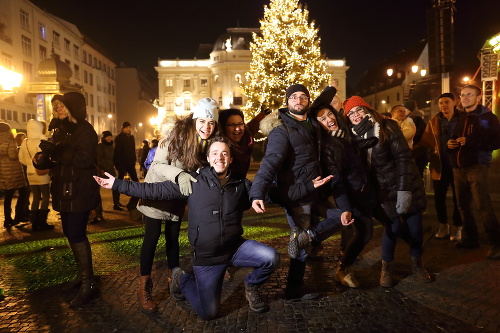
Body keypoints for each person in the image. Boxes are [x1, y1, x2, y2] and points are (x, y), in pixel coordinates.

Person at [94, 136, 280, 320]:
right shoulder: (193, 182)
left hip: (235, 248)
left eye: (225, 153)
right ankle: (180, 278)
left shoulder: (240, 185)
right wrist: (117, 184)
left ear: (231, 158)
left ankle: (252, 285)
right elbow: (153, 190)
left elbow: (270, 193)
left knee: (271, 257)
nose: (220, 157)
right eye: (215, 153)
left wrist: (305, 186)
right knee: (208, 313)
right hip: (207, 259)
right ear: (208, 158)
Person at [135, 98, 219, 313]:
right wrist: (180, 174)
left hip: (177, 197)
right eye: (202, 121)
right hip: (157, 193)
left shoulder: (208, 143)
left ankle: (175, 280)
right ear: (194, 119)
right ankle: (144, 287)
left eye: (211, 122)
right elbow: (158, 164)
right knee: (152, 239)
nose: (206, 127)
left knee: (173, 238)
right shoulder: (174, 136)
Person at [343, 96, 430, 287]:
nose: (356, 115)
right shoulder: (351, 136)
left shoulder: (386, 126)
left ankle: (417, 266)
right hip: (382, 191)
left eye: (359, 110)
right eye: (350, 113)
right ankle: (386, 268)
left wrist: (404, 190)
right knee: (393, 229)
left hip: (405, 183)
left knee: (415, 229)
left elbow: (403, 158)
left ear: (367, 110)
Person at [250, 83, 322, 299]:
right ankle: (293, 288)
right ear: (287, 102)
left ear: (309, 101)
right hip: (297, 193)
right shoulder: (282, 130)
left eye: (303, 97)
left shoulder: (314, 124)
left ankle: (308, 243)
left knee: (329, 223)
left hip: (316, 188)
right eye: (293, 97)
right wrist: (257, 193)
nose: (298, 101)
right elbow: (270, 162)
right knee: (300, 239)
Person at [35, 92, 100, 307]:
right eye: (55, 106)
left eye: (61, 105)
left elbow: (84, 159)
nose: (57, 109)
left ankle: (88, 284)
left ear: (73, 107)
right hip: (63, 189)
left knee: (76, 233)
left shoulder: (85, 130)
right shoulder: (60, 130)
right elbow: (56, 160)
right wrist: (44, 157)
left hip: (80, 189)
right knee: (69, 233)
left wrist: (58, 152)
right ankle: (82, 275)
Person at [307, 100, 376, 288]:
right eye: (322, 118)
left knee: (371, 229)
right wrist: (345, 208)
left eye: (330, 114)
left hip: (367, 191)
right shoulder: (328, 146)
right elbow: (336, 180)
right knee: (365, 231)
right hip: (353, 195)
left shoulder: (347, 133)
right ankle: (342, 269)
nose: (329, 119)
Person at [449, 85, 500, 259]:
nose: (465, 98)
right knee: (463, 206)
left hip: (477, 166)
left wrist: (470, 141)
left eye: (469, 95)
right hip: (458, 167)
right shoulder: (460, 117)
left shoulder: (487, 117)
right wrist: (451, 144)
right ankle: (471, 239)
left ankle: (496, 244)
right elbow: (455, 137)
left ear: (478, 98)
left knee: (483, 206)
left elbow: (496, 141)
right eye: (462, 95)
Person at [417, 93, 462, 241]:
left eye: (447, 102)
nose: (443, 105)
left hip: (458, 166)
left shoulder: (463, 119)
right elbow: (425, 142)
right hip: (439, 165)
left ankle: (457, 228)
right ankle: (443, 225)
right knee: (439, 198)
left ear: (454, 102)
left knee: (458, 199)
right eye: (441, 103)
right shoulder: (434, 121)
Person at [18, 119, 54, 231]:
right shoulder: (42, 141)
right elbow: (47, 157)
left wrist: (30, 164)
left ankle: (34, 223)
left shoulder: (25, 142)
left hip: (30, 173)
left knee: (35, 197)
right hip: (41, 172)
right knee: (45, 196)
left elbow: (21, 159)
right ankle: (42, 222)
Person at [217, 106, 270, 179]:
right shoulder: (219, 147)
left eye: (240, 124)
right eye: (232, 125)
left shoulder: (246, 137)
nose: (237, 128)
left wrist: (262, 115)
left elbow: (252, 127)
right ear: (223, 127)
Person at [0, 122, 28, 228]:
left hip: (3, 172)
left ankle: (7, 219)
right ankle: (18, 216)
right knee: (23, 192)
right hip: (14, 171)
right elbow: (12, 156)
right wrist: (18, 151)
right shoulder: (9, 141)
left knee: (8, 196)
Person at [94, 130, 119, 223]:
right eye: (107, 137)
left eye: (110, 137)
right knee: (97, 191)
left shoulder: (112, 146)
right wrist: (101, 168)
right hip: (102, 170)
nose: (109, 138)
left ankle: (116, 203)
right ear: (103, 138)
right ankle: (98, 213)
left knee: (116, 186)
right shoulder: (100, 146)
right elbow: (99, 158)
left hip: (111, 169)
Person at [113, 121, 139, 211]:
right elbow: (117, 152)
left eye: (129, 127)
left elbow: (132, 150)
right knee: (118, 183)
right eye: (127, 127)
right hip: (122, 164)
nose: (129, 129)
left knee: (136, 182)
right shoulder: (119, 138)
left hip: (130, 164)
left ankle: (132, 204)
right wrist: (117, 164)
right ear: (123, 128)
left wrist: (133, 160)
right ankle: (116, 203)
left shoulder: (131, 138)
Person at [404, 100, 428, 177]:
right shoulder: (406, 120)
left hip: (417, 155)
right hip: (410, 155)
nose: (403, 111)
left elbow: (422, 137)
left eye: (405, 109)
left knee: (417, 177)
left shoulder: (418, 120)